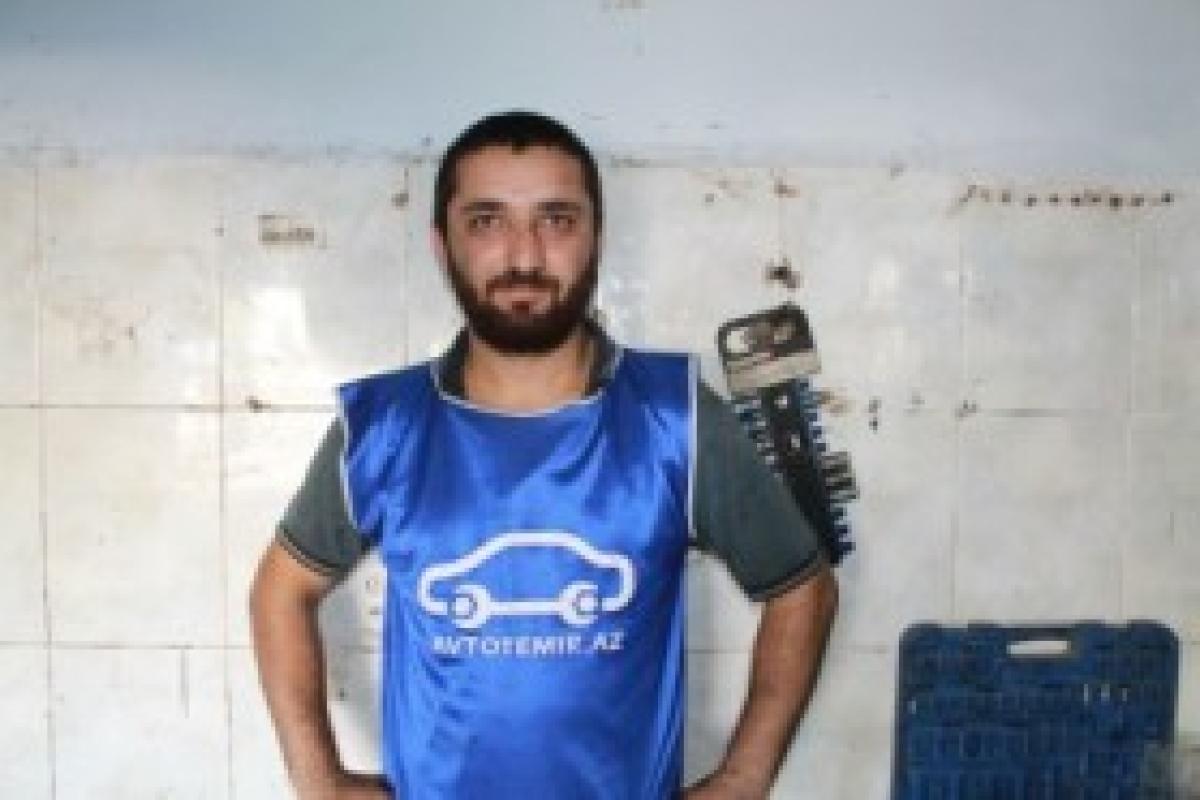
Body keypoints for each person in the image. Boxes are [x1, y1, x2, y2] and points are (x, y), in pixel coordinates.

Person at [250, 110, 838, 800]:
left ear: (597, 239)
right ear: (442, 245)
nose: (524, 256)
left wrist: (743, 780)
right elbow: (280, 591)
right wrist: (318, 781)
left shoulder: (674, 417)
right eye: (487, 221)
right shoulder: (384, 426)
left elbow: (804, 589)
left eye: (556, 220)